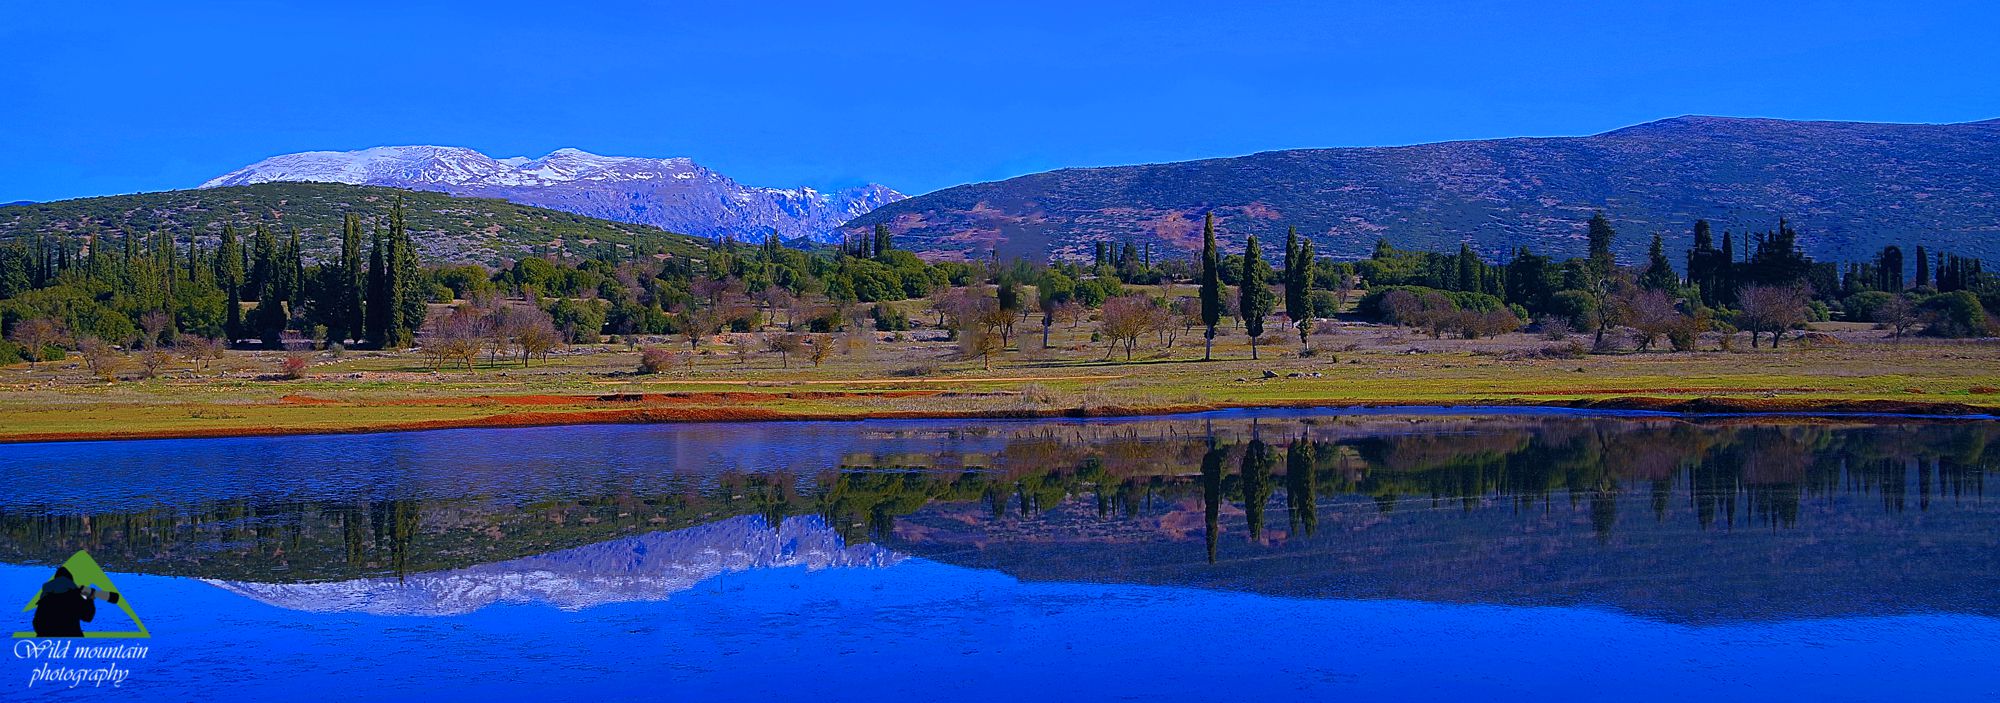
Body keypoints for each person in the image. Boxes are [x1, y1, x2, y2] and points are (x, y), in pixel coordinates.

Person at [31, 566, 94, 637]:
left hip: (49, 642)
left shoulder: (46, 599)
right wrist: (88, 599)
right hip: (71, 639)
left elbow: (37, 623)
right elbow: (88, 617)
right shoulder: (75, 597)